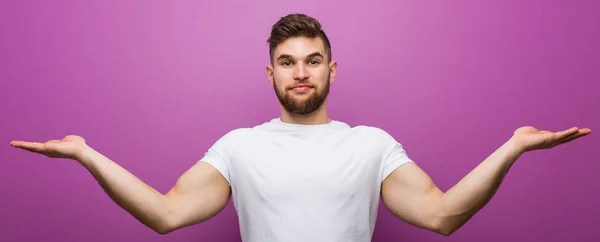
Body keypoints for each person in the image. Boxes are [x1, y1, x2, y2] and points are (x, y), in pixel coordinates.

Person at [9, 13, 591, 242]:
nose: (301, 73)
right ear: (271, 73)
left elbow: (442, 215)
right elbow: (166, 214)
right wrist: (87, 155)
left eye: (312, 60)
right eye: (287, 62)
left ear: (332, 69)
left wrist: (512, 147)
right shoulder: (239, 147)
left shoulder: (371, 144)